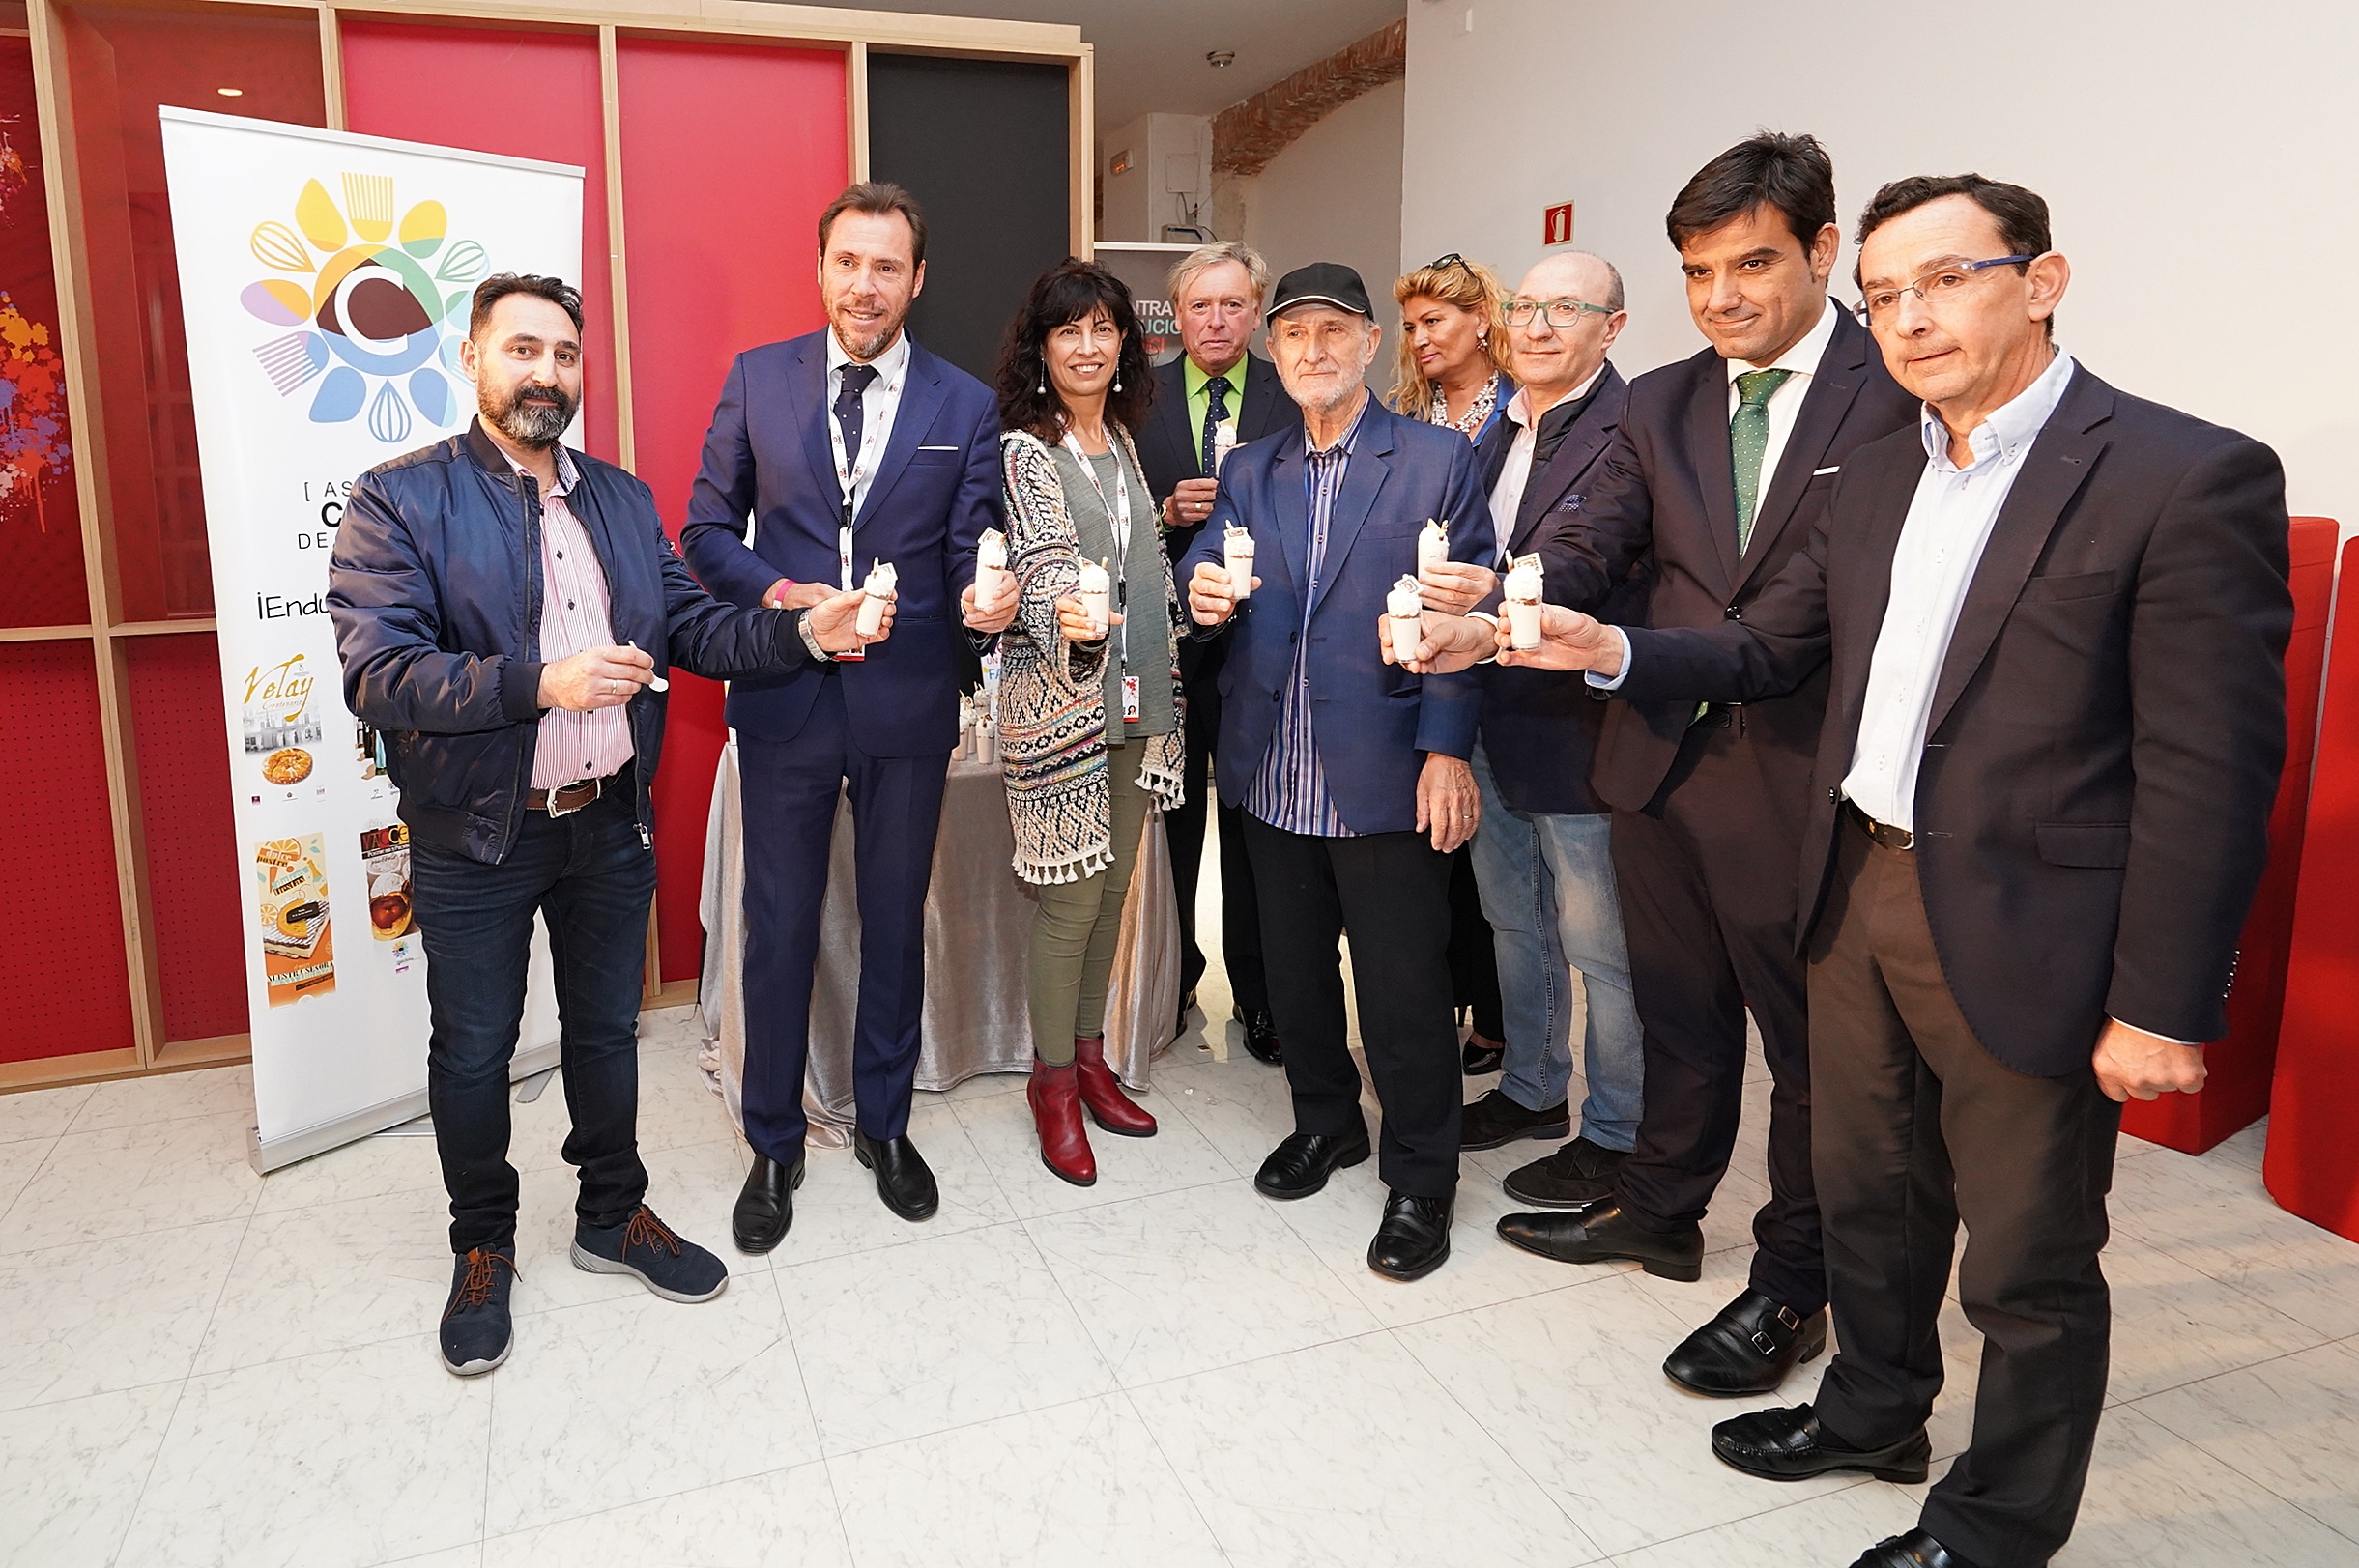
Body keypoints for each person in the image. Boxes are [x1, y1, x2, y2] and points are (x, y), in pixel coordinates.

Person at [1485, 174, 2290, 1568]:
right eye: (1886, 292)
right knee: (1868, 1193)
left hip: (2029, 923)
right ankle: (1873, 1408)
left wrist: (2162, 1001)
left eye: (1946, 279)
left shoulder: (2179, 473)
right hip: (1852, 884)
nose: (1909, 317)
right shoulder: (1877, 475)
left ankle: (1993, 1530)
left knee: (2026, 1257)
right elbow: (1771, 650)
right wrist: (1605, 647)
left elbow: (2208, 768)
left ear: (2041, 281)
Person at [328, 273, 887, 1377]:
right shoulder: (399, 499)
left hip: (609, 824)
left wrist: (805, 633)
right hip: (478, 835)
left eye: (564, 354)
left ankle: (610, 1214)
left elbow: (694, 628)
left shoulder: (622, 502)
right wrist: (540, 683)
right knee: (474, 1050)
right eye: (521, 349)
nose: (546, 373)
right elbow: (379, 673)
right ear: (472, 360)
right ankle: (482, 1245)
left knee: (603, 1035)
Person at [1434, 132, 1921, 1398]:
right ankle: (1657, 1207)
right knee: (1678, 1013)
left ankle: (1793, 1281)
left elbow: (1796, 620)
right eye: (1699, 272)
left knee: (1809, 1058)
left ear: (1822, 250)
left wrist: (1609, 647)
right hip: (1656, 758)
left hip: (1802, 780)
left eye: (1750, 263)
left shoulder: (1894, 391)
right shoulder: (1659, 402)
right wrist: (1506, 598)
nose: (1721, 297)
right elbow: (1594, 539)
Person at [679, 183, 1018, 1252]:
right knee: (778, 926)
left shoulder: (964, 404)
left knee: (894, 921)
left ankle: (884, 1124)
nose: (864, 285)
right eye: (847, 262)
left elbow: (968, 548)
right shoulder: (756, 378)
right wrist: (788, 600)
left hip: (906, 701)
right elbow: (704, 530)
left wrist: (982, 602)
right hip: (785, 694)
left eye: (886, 267)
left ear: (916, 280)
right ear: (819, 267)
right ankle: (773, 1142)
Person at [1180, 263, 1489, 1283]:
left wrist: (1445, 750)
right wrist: (1201, 588)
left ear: (1368, 343)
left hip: (1384, 765)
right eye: (1292, 335)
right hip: (1270, 765)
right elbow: (1204, 562)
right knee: (1295, 973)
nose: (1311, 350)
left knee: (1403, 987)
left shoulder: (1435, 460)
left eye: (1331, 331)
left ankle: (1421, 1175)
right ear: (1270, 351)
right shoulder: (1249, 467)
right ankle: (1325, 1122)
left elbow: (1464, 616)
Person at [1437, 250, 1650, 1186]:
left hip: (1577, 726)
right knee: (1513, 922)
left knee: (1601, 947)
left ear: (1612, 327)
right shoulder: (1493, 428)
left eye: (1564, 308)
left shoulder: (1629, 427)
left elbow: (1580, 558)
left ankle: (1617, 1132)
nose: (1534, 325)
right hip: (1489, 713)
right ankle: (1530, 1089)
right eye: (1524, 306)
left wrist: (1475, 609)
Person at [992, 259, 1180, 1185]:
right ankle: (1053, 1082)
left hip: (1140, 700)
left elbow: (1142, 562)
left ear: (1124, 342)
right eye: (1068, 329)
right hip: (1062, 705)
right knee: (1069, 901)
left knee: (1111, 896)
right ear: (1041, 346)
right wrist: (1065, 607)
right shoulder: (1026, 450)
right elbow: (1041, 560)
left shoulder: (1126, 442)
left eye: (1103, 328)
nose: (1087, 346)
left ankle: (1092, 1056)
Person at [1132, 241, 1301, 1064]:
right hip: (1167, 652)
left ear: (1256, 311)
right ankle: (1170, 983)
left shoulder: (1292, 393)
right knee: (1170, 828)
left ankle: (1260, 997)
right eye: (1199, 305)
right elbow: (1109, 520)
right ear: (1176, 313)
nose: (1216, 320)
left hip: (1262, 649)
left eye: (1233, 305)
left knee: (1253, 834)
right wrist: (1165, 514)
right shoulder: (1135, 395)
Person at [1390, 253, 1512, 1071]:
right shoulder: (1406, 416)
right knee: (1437, 847)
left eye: (1434, 321)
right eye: (1409, 327)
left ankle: (1497, 1019)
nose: (1420, 339)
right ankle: (1442, 1003)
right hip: (1427, 655)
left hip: (1510, 647)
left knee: (1494, 859)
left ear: (1480, 320)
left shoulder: (1520, 410)